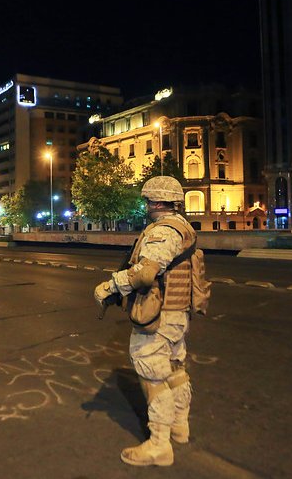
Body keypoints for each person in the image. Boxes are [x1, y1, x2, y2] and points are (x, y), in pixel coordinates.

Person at [93, 176, 197, 467]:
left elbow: (144, 273)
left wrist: (110, 286)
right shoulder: (183, 226)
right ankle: (179, 426)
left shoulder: (163, 231)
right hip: (177, 315)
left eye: (147, 200)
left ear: (157, 202)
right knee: (175, 368)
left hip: (159, 316)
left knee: (153, 375)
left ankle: (159, 445)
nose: (146, 205)